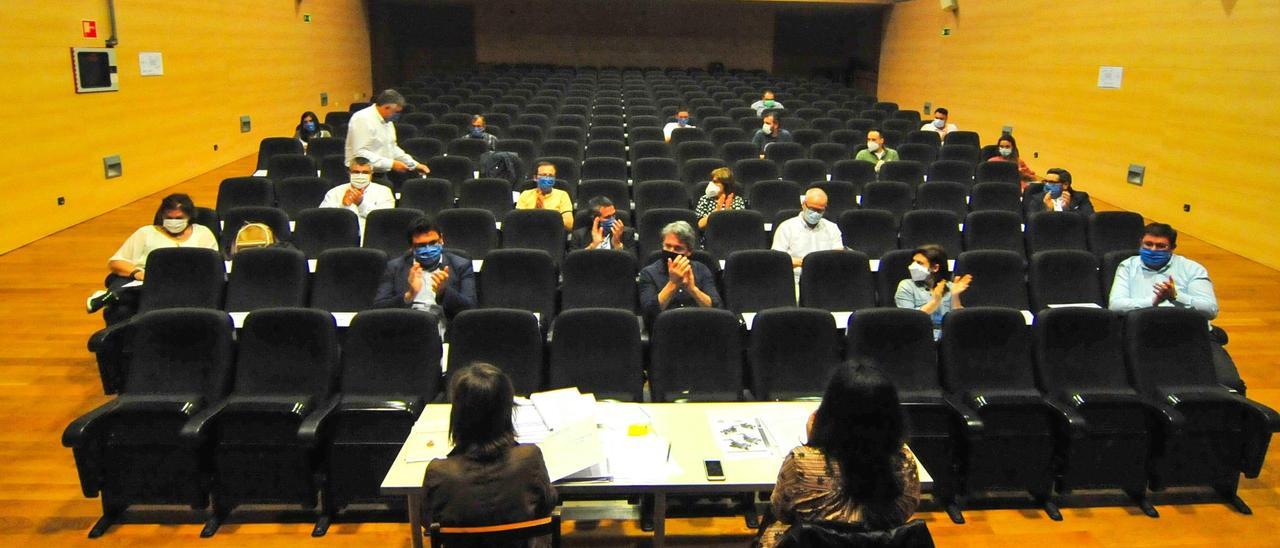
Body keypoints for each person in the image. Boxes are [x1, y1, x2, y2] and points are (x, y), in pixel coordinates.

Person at [756, 360, 920, 548]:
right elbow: (904, 513)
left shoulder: (801, 462)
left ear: (829, 411)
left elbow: (780, 511)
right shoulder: (905, 463)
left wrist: (813, 442)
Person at [423, 362, 557, 548]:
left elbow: (428, 521)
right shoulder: (530, 458)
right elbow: (546, 506)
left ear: (458, 415)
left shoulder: (439, 472)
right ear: (506, 411)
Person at [1108, 222, 1242, 392]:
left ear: (1172, 248)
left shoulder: (1192, 269)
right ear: (1140, 242)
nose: (1153, 250)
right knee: (1147, 384)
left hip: (1192, 335)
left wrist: (1177, 296)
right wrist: (1152, 302)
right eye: (1148, 244)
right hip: (1142, 334)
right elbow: (1116, 305)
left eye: (1161, 246)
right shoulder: (1127, 267)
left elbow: (1210, 310)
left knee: (1230, 383)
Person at [88, 193, 220, 322]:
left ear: (189, 216)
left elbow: (213, 265)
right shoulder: (145, 233)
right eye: (169, 218)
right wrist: (137, 273)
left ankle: (117, 295)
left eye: (179, 218)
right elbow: (116, 262)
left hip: (188, 283)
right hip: (148, 281)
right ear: (162, 215)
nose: (174, 222)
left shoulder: (203, 233)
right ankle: (114, 296)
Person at [373, 216, 476, 334]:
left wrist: (443, 292)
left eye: (433, 243)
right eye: (421, 245)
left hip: (444, 329)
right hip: (404, 327)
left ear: (441, 239)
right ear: (412, 247)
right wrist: (409, 295)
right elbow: (378, 309)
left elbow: (470, 309)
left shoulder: (461, 265)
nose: (428, 249)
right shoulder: (394, 267)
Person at [638, 221, 722, 322]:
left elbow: (717, 309)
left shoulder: (702, 269)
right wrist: (673, 284)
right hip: (665, 329)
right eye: (667, 246)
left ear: (689, 251)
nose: (671, 251)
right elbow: (649, 314)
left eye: (678, 248)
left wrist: (692, 289)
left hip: (698, 326)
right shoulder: (648, 273)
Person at [344, 89, 430, 179]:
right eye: (396, 112)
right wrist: (392, 164)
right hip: (360, 174)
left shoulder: (387, 121)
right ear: (386, 107)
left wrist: (414, 164)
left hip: (379, 173)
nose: (397, 115)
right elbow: (359, 153)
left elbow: (392, 148)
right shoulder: (362, 119)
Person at [894, 244, 971, 340]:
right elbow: (909, 320)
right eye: (913, 261)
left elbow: (958, 322)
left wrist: (955, 296)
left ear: (935, 268)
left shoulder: (951, 287)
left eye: (919, 263)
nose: (912, 266)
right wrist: (935, 302)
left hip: (947, 337)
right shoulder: (906, 286)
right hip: (918, 336)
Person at [771, 188, 844, 280]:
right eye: (812, 209)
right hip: (795, 279)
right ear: (803, 205)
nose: (815, 213)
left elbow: (838, 257)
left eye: (820, 210)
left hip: (826, 279)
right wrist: (807, 262)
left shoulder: (832, 228)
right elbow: (778, 259)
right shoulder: (786, 227)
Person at [319, 156, 394, 234]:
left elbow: (384, 220)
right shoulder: (334, 192)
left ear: (371, 173)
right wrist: (344, 207)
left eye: (365, 172)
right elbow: (323, 219)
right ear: (349, 173)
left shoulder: (384, 192)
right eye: (356, 172)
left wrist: (361, 203)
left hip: (373, 235)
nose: (360, 176)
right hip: (340, 235)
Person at [515, 161, 574, 231]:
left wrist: (545, 219)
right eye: (544, 175)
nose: (547, 178)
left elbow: (569, 224)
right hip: (528, 232)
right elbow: (517, 220)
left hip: (552, 233)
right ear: (535, 178)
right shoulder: (525, 194)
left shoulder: (562, 195)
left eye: (551, 175)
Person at [571, 196, 635, 253]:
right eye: (607, 217)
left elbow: (634, 262)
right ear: (594, 219)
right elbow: (573, 263)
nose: (613, 219)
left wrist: (618, 245)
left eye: (613, 215)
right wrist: (592, 246)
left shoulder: (626, 233)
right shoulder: (579, 236)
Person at [1024, 168, 1095, 217]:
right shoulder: (1037, 198)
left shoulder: (1081, 197)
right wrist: (1048, 210)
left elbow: (1089, 219)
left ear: (1065, 185)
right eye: (1046, 181)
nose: (1047, 185)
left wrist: (1068, 210)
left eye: (1051, 182)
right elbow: (1030, 220)